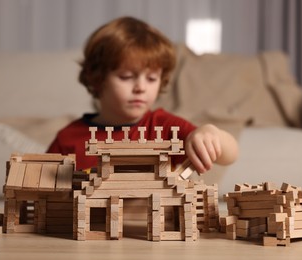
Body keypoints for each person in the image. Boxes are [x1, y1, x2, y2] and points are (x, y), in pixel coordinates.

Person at [47, 16, 238, 174]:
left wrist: (209, 133)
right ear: (97, 78)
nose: (141, 87)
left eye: (152, 78)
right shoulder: (67, 137)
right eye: (126, 76)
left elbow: (230, 154)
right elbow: (42, 184)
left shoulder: (164, 127)